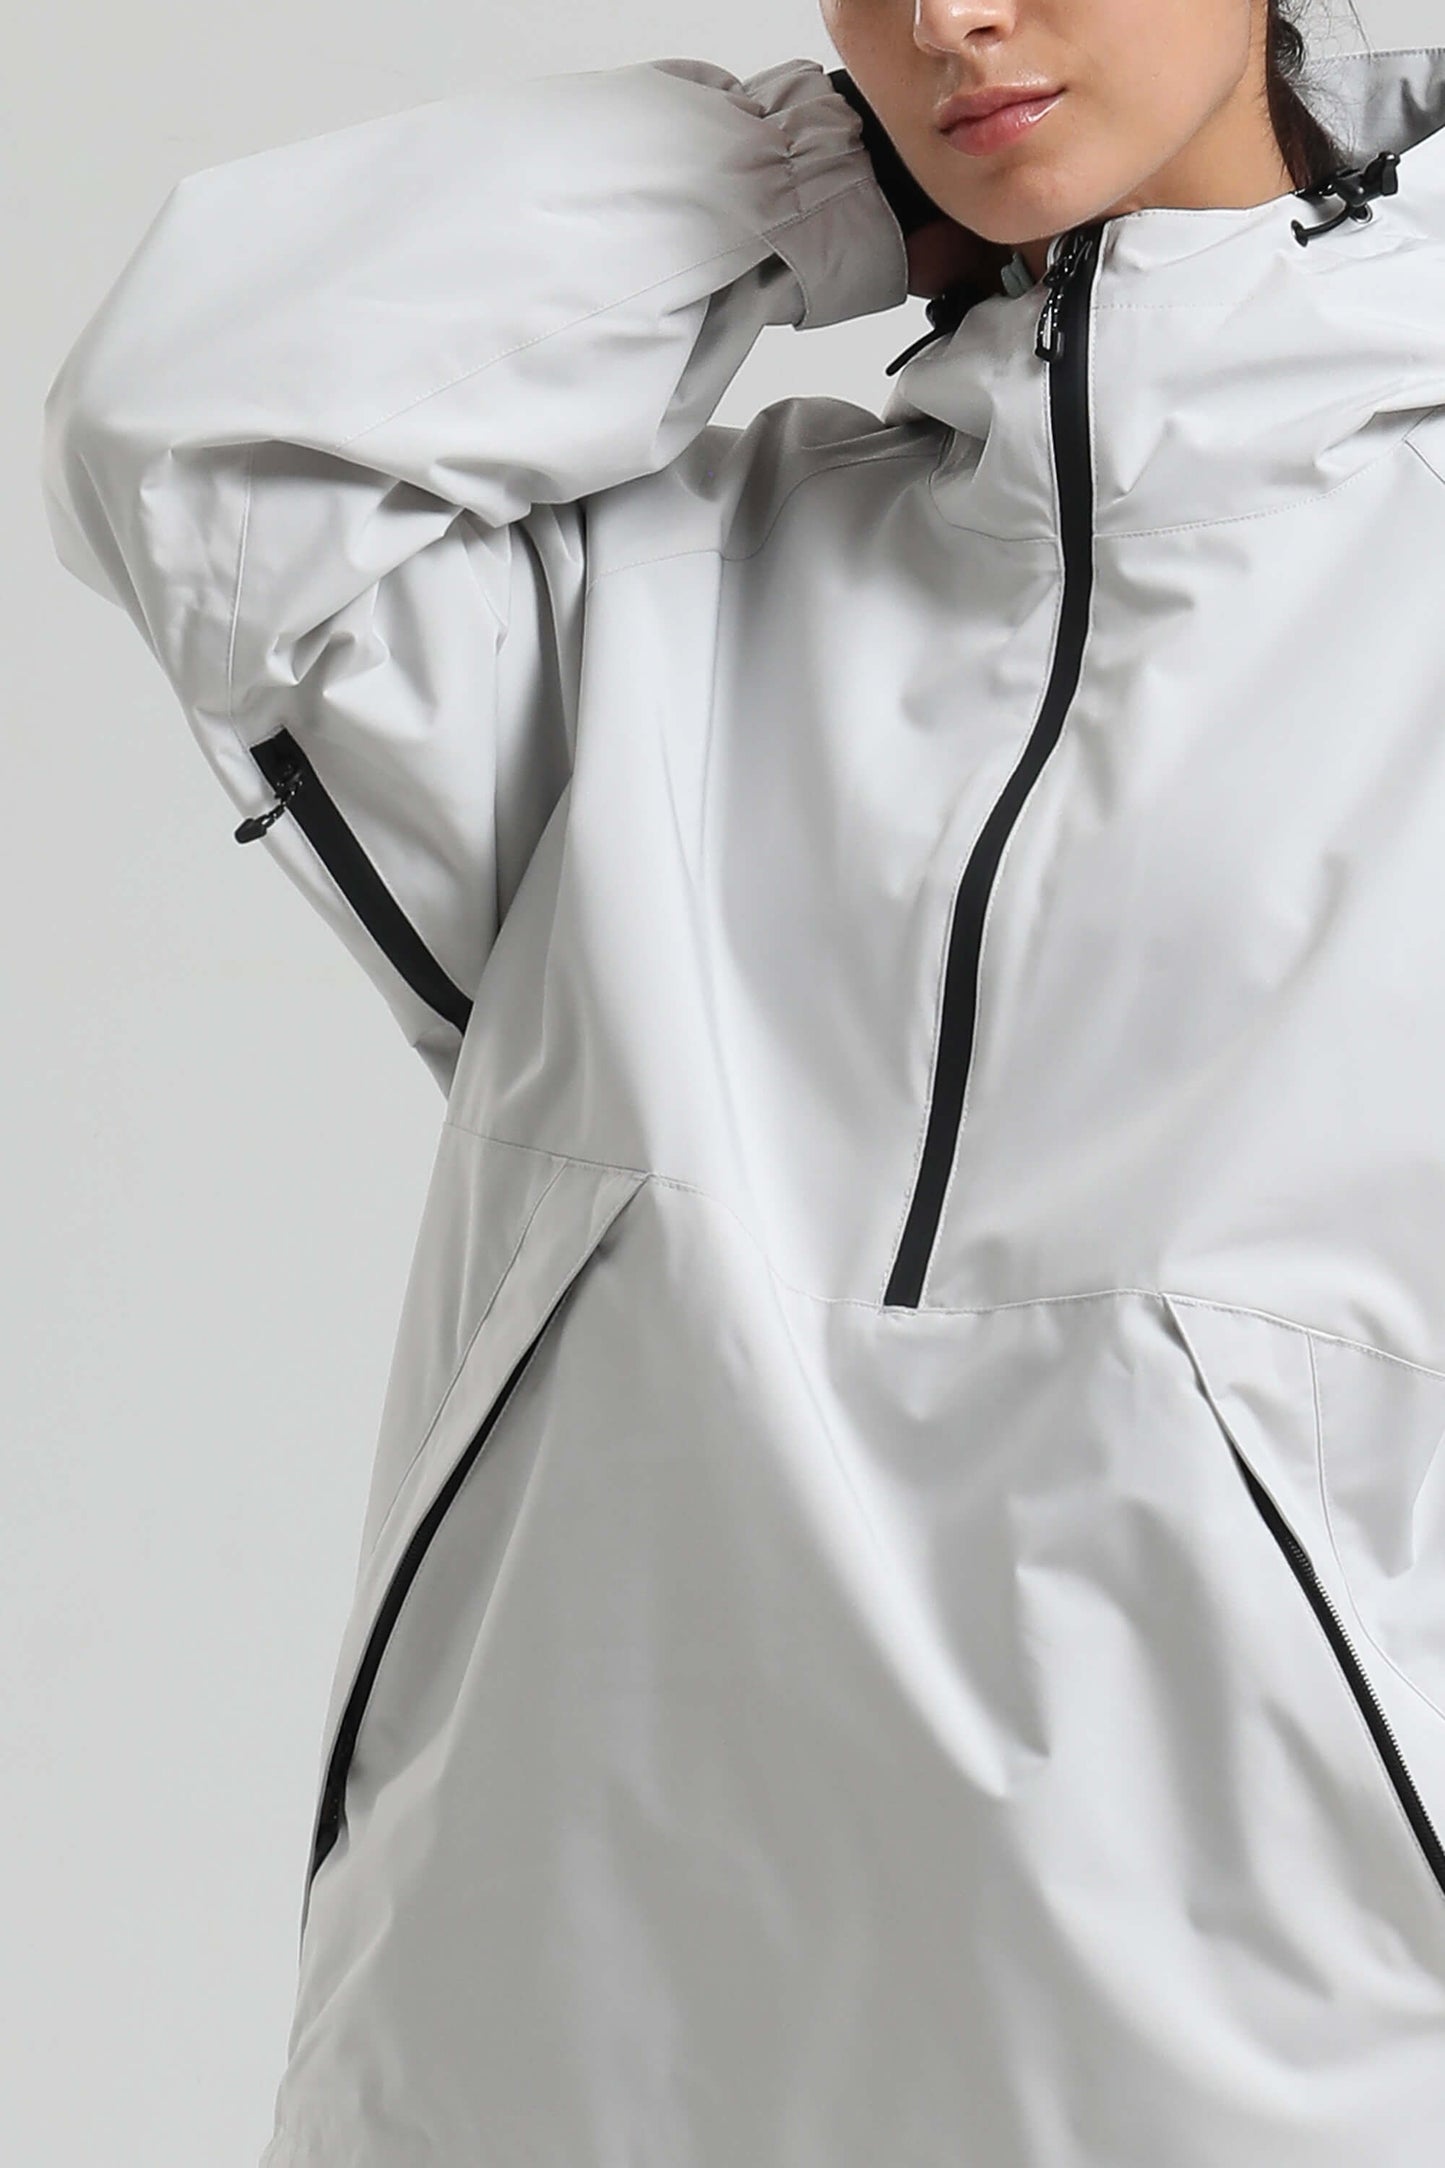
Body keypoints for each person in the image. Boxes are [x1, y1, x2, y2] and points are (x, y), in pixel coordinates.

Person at [39, 2, 1445, 2160]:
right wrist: (823, 181)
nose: (944, 17)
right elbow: (199, 421)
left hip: (1244, 2084)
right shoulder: (663, 597)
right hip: (534, 2067)